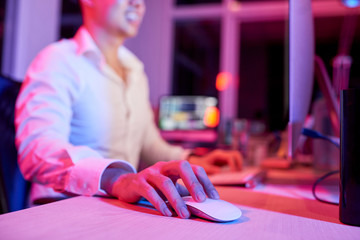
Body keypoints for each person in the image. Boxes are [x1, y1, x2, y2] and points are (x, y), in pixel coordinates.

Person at [15, 0, 242, 219]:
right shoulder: (57, 60)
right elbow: (36, 149)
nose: (138, 3)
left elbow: (149, 145)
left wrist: (193, 161)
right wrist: (117, 178)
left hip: (119, 210)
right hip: (63, 211)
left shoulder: (135, 70)